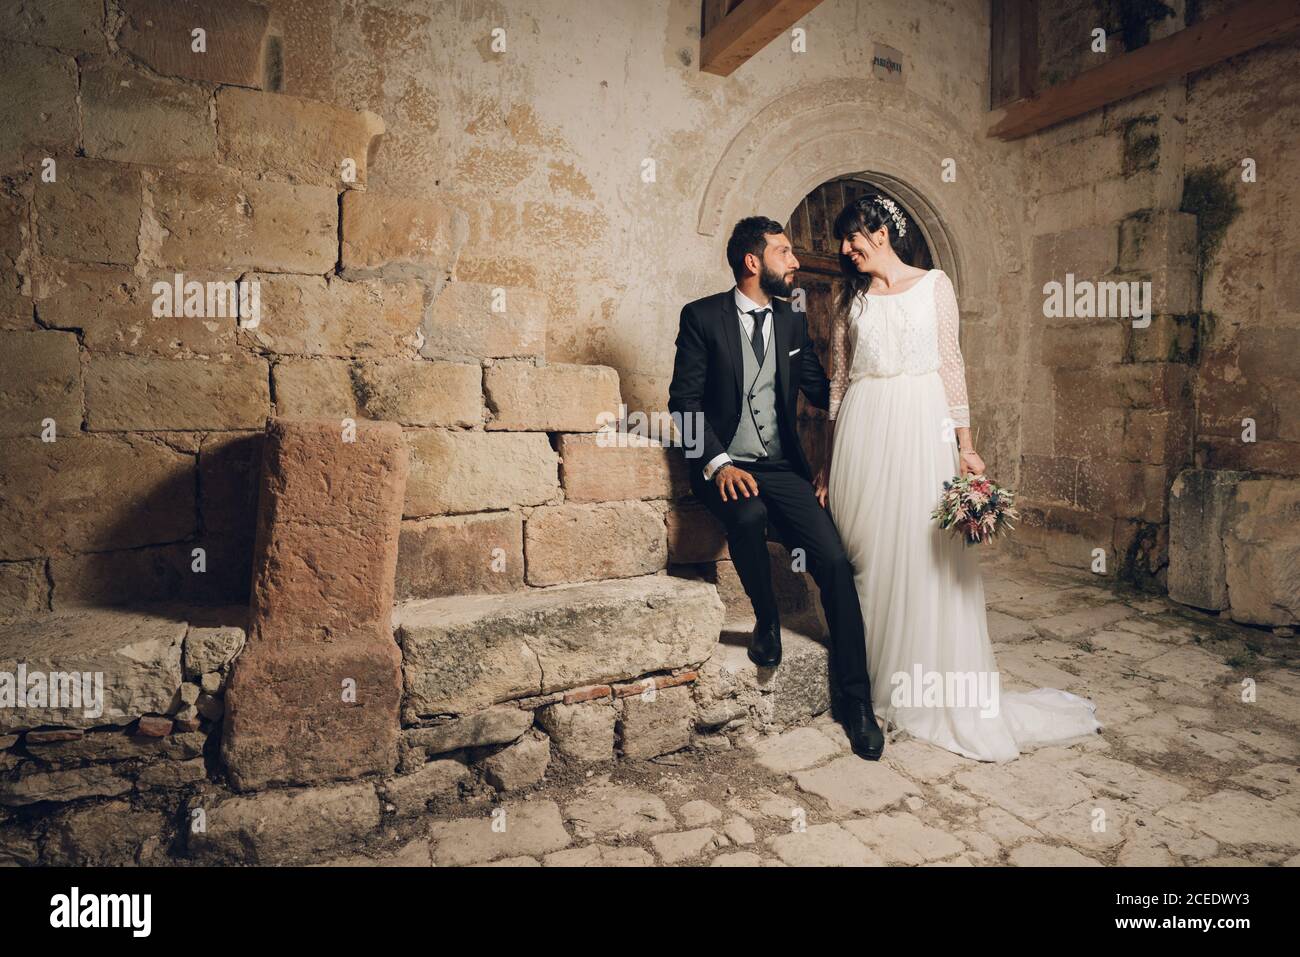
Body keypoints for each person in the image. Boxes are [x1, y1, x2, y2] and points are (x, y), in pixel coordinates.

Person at [819, 193, 1102, 762]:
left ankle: (923, 685)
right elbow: (837, 385)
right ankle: (873, 682)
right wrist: (826, 462)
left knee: (925, 555)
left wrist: (966, 447)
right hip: (862, 433)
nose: (846, 251)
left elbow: (951, 364)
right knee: (870, 552)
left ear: (878, 231)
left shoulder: (935, 285)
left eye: (852, 238)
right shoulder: (848, 300)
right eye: (842, 243)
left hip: (923, 427)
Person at [667, 216, 885, 760]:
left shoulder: (791, 320)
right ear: (752, 262)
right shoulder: (701, 318)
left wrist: (880, 389)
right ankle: (766, 619)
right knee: (746, 516)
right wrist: (717, 463)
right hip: (726, 462)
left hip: (781, 465)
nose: (794, 261)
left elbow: (819, 389)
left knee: (834, 561)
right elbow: (684, 404)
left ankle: (857, 703)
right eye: (784, 252)